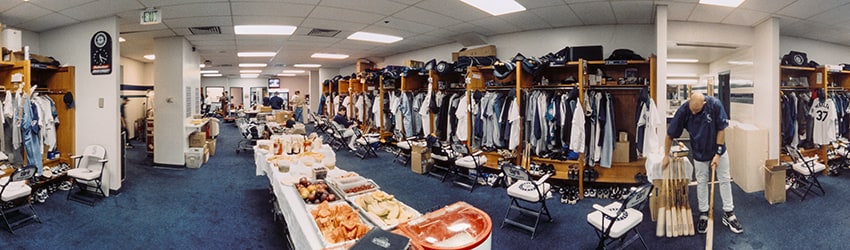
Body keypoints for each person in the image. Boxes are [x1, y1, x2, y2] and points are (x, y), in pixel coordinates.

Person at [663, 93, 743, 234]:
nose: (693, 112)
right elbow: (670, 135)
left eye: (697, 110)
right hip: (699, 151)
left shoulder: (715, 105)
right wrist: (665, 155)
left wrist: (718, 154)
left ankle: (729, 213)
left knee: (724, 179)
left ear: (704, 104)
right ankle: (704, 213)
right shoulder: (684, 111)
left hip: (718, 149)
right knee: (701, 181)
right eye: (692, 109)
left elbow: (721, 129)